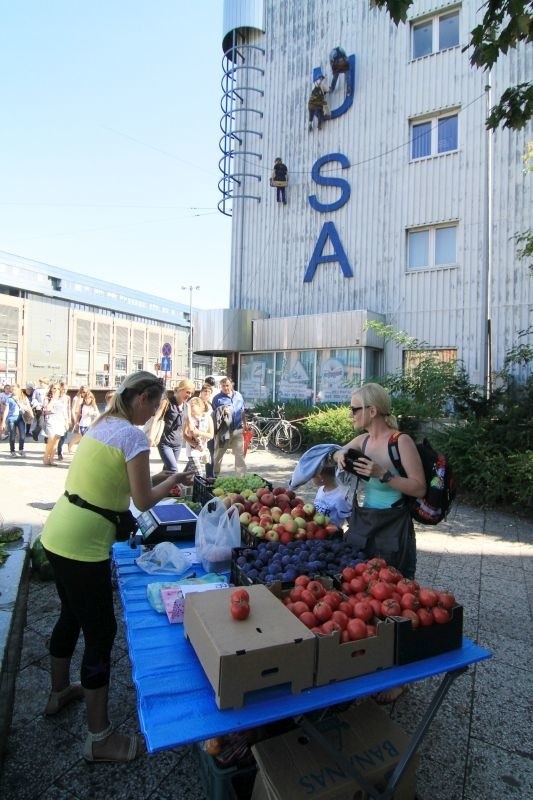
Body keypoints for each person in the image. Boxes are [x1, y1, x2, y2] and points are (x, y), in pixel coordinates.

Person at [40, 371, 194, 763]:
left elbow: (124, 481)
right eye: (156, 405)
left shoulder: (104, 424)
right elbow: (143, 501)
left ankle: (59, 692)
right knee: (100, 634)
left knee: (70, 615)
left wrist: (164, 476)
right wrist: (174, 478)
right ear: (142, 398)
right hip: (83, 545)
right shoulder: (132, 435)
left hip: (58, 532)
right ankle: (99, 737)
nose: (155, 414)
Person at [333, 383, 425, 704]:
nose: (351, 414)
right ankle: (371, 663)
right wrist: (341, 454)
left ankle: (399, 678)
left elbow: (418, 488)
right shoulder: (363, 440)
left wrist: (382, 474)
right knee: (361, 595)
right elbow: (336, 451)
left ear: (372, 411)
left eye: (355, 408)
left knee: (395, 603)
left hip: (392, 529)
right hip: (363, 525)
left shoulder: (401, 442)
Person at [157, 379, 195, 471]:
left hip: (178, 443)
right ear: (180, 389)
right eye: (187, 392)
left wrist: (197, 439)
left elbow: (190, 426)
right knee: (173, 470)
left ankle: (154, 484)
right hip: (165, 442)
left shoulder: (187, 406)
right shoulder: (167, 402)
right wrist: (151, 437)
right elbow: (155, 419)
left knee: (167, 471)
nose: (189, 395)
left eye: (191, 394)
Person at [212, 377, 247, 476]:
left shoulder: (239, 395)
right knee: (219, 454)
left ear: (232, 385)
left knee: (240, 455)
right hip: (224, 431)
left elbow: (242, 411)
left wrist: (245, 424)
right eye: (223, 386)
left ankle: (241, 477)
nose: (225, 388)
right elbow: (213, 416)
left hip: (238, 429)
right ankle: (214, 475)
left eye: (227, 385)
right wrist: (221, 411)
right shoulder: (217, 399)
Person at [312, 457, 352, 529]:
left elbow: (350, 519)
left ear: (320, 477)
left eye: (312, 476)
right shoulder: (321, 489)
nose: (311, 479)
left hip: (331, 535)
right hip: (316, 529)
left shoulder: (341, 497)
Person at [183, 395, 214, 477]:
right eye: (192, 412)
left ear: (201, 409)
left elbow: (211, 435)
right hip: (192, 451)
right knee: (199, 475)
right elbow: (184, 435)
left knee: (187, 475)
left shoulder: (208, 418)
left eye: (195, 412)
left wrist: (198, 433)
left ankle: (176, 485)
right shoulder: (189, 419)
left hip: (202, 450)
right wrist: (194, 444)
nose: (194, 415)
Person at [42, 384, 69, 465]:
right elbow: (47, 409)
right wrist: (53, 398)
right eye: (54, 388)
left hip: (60, 421)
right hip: (51, 421)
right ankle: (45, 457)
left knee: (56, 442)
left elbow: (65, 411)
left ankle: (52, 460)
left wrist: (67, 421)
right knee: (51, 440)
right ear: (51, 389)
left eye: (58, 388)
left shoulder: (63, 398)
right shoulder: (48, 398)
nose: (56, 390)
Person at [1, 384, 26, 457]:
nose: (13, 390)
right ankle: (12, 451)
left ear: (18, 389)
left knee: (22, 435)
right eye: (12, 389)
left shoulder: (22, 398)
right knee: (12, 435)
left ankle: (21, 449)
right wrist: (3, 422)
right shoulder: (9, 399)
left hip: (20, 418)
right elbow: (6, 410)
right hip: (11, 419)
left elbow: (27, 406)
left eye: (14, 389)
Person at [56, 382, 72, 461]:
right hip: (56, 418)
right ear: (60, 388)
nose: (65, 391)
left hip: (64, 418)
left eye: (66, 389)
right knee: (56, 437)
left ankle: (59, 452)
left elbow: (68, 408)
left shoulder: (68, 397)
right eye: (63, 389)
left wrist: (69, 419)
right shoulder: (56, 396)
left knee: (63, 437)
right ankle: (54, 451)